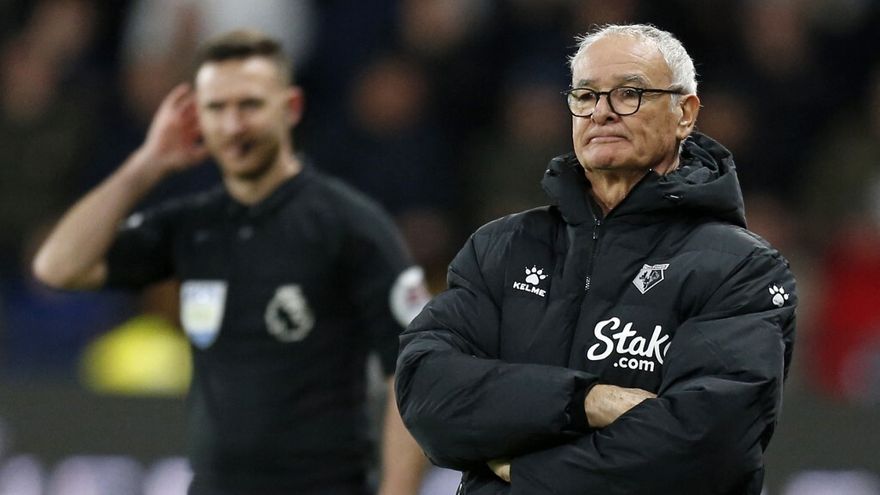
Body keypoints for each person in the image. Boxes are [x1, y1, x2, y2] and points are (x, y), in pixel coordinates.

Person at [395, 23, 797, 495]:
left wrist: (525, 473)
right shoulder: (502, 248)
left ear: (685, 114)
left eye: (629, 94)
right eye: (585, 96)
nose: (602, 112)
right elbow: (426, 391)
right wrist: (586, 401)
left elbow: (706, 445)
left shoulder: (741, 269)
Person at [33, 30, 429, 495]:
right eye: (216, 108)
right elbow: (58, 267)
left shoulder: (349, 225)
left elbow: (417, 370)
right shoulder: (194, 226)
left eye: (250, 106)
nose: (233, 125)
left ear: (291, 108)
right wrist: (145, 164)